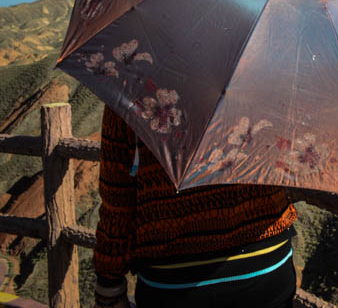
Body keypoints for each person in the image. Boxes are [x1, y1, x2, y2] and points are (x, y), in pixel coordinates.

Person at [94, 106, 298, 308]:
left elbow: (118, 203)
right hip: (268, 266)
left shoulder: (130, 86)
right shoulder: (265, 79)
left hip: (174, 281)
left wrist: (109, 286)